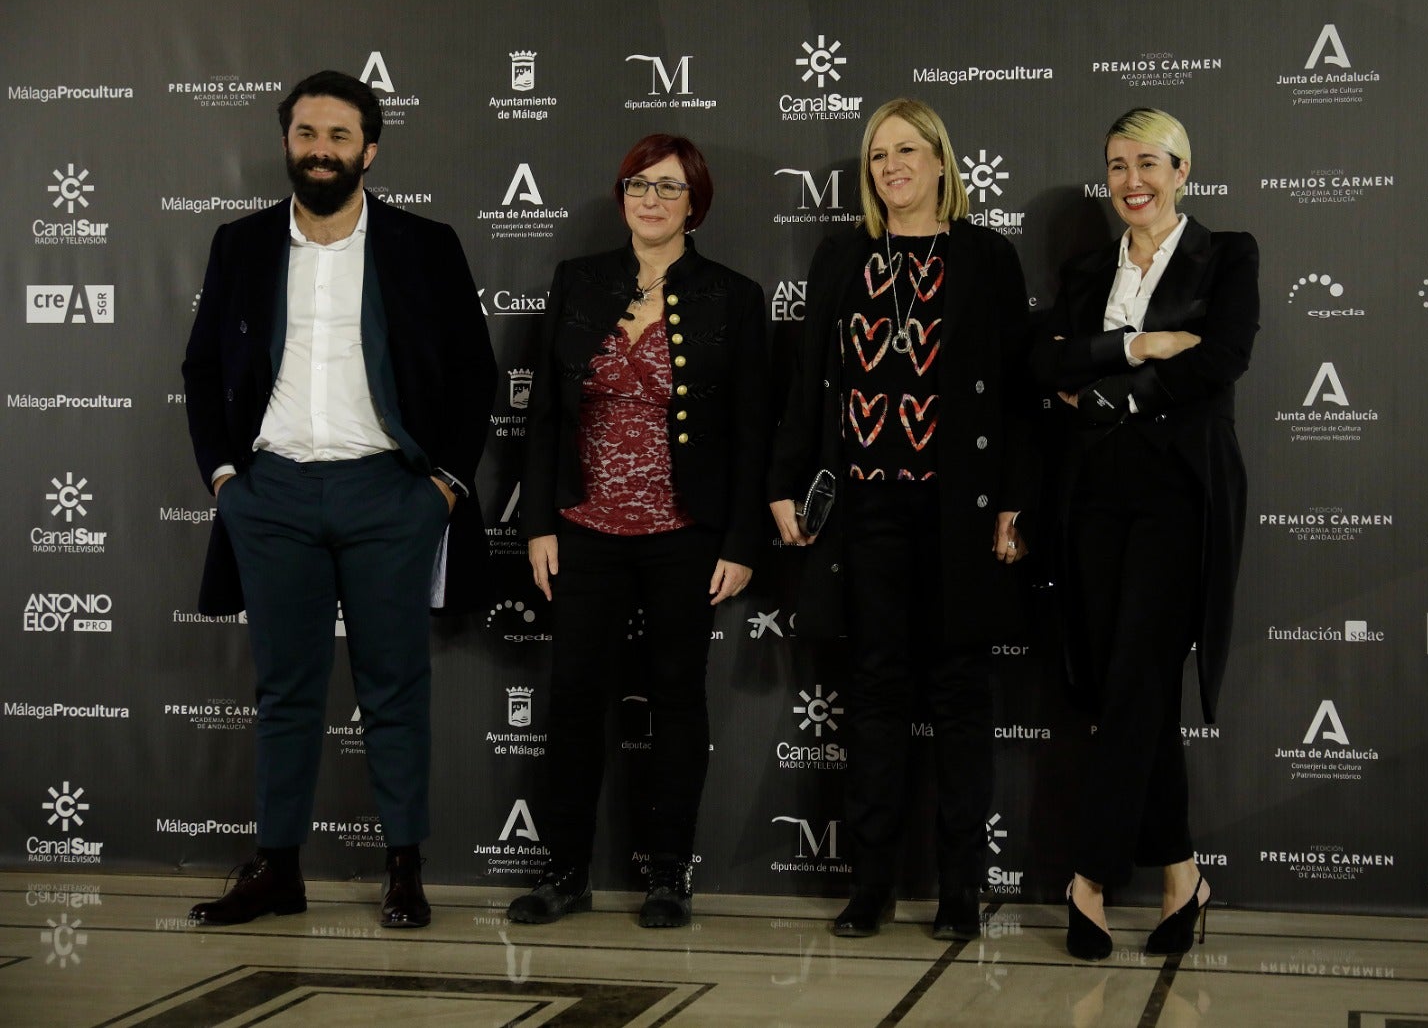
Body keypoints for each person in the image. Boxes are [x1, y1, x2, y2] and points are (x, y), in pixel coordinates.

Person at [180, 70, 496, 928]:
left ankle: (405, 869)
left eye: (339, 137)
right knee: (285, 690)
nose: (321, 150)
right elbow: (203, 369)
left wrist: (442, 487)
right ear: (287, 142)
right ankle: (276, 868)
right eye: (307, 134)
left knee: (394, 686)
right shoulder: (239, 244)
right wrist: (224, 480)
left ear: (371, 150)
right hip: (271, 492)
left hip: (390, 494)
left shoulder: (425, 245)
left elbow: (476, 377)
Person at [768, 98, 1034, 941]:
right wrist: (786, 482)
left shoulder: (987, 257)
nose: (891, 167)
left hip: (958, 511)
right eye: (878, 154)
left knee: (959, 698)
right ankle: (870, 887)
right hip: (866, 511)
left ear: (941, 162)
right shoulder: (841, 255)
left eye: (908, 151)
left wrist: (1014, 502)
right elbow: (810, 378)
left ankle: (961, 890)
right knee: (874, 696)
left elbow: (1022, 391)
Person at [509, 134, 768, 929]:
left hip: (685, 532)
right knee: (575, 701)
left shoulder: (733, 295)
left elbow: (754, 430)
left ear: (695, 202)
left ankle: (668, 878)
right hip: (584, 527)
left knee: (677, 703)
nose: (649, 200)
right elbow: (548, 412)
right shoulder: (578, 281)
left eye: (667, 188)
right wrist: (540, 523)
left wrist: (740, 541)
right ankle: (563, 874)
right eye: (636, 186)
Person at [1031, 108, 1258, 959]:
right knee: (1122, 688)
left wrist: (1111, 392)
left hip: (1177, 497)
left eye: (1150, 163)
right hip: (1090, 498)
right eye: (1118, 165)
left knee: (1136, 676)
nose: (1133, 180)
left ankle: (1086, 878)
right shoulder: (1088, 265)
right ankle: (1181, 873)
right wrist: (1137, 347)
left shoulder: (1229, 252)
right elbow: (1044, 363)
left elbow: (1220, 358)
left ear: (1183, 170)